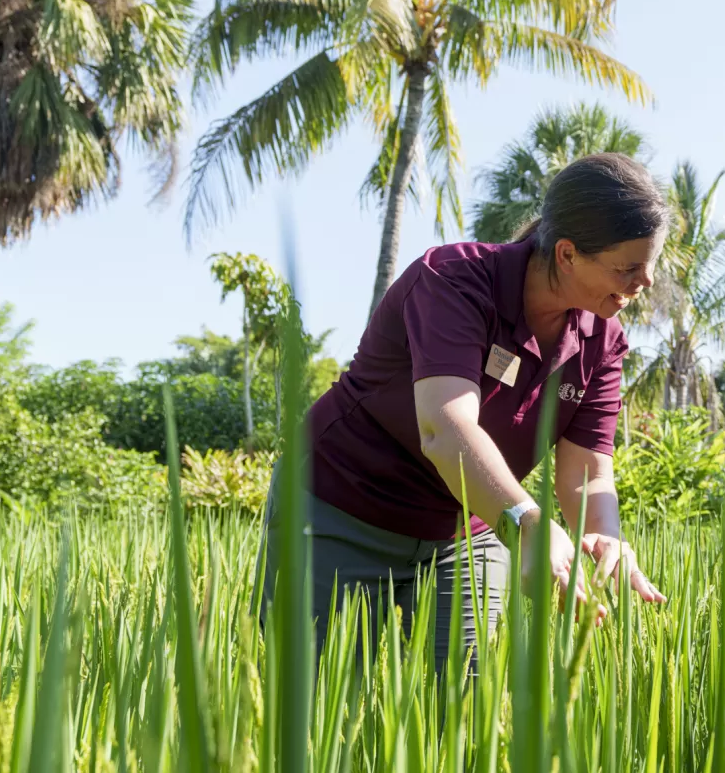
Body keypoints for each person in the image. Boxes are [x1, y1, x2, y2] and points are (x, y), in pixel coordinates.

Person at [264, 153, 669, 671]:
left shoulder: (602, 342)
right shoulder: (454, 281)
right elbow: (445, 428)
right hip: (340, 510)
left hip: (468, 530)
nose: (647, 281)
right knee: (319, 710)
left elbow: (588, 472)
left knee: (464, 709)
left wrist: (606, 538)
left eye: (650, 263)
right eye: (628, 266)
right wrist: (528, 521)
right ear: (567, 254)